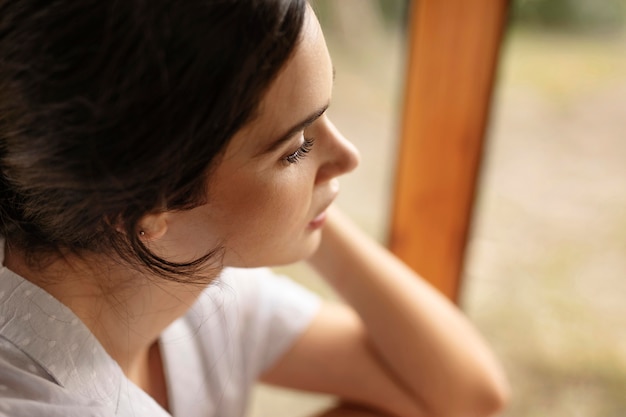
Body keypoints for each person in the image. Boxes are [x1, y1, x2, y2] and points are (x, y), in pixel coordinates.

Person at [0, 1, 510, 416]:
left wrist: (303, 204)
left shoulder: (186, 274)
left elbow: (465, 394)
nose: (347, 158)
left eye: (323, 116)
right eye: (297, 147)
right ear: (145, 205)